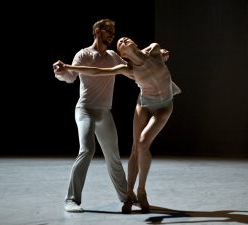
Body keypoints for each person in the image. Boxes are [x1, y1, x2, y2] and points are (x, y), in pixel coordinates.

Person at [53, 37, 181, 213]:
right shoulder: (104, 61)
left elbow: (145, 59)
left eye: (122, 38)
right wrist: (67, 68)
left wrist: (161, 55)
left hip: (140, 108)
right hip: (113, 107)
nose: (120, 39)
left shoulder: (143, 52)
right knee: (108, 149)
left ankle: (134, 193)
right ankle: (81, 198)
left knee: (128, 149)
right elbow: (93, 71)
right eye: (119, 41)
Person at [53, 19, 128, 213]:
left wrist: (154, 59)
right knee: (87, 150)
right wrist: (61, 72)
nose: (112, 34)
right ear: (97, 31)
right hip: (85, 110)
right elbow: (70, 77)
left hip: (105, 112)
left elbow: (131, 69)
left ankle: (126, 197)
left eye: (113, 31)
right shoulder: (84, 54)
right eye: (108, 30)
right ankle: (71, 200)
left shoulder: (113, 56)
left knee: (114, 157)